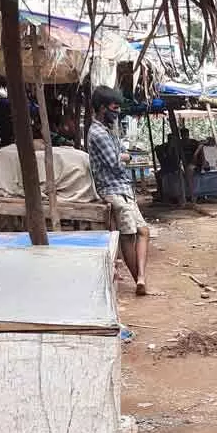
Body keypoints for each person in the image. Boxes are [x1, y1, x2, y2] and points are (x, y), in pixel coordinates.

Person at [88, 86, 150, 296]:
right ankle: (138, 281)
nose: (117, 112)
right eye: (114, 108)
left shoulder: (108, 130)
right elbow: (116, 162)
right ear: (102, 108)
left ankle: (141, 278)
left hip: (123, 188)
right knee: (129, 234)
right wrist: (125, 157)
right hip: (112, 190)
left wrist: (123, 156)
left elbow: (120, 154)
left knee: (143, 231)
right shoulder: (97, 132)